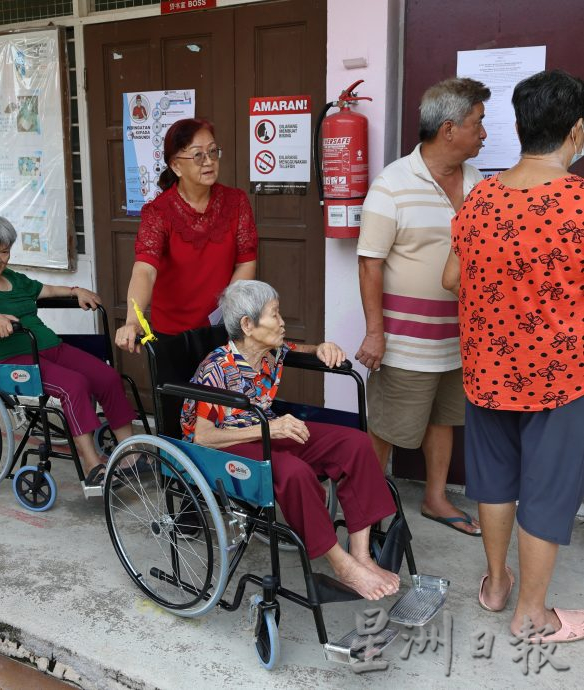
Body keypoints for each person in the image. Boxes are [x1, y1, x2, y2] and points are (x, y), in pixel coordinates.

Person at [443, 69, 584, 642]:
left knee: (495, 480)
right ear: (576, 130)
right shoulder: (579, 203)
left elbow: (451, 278)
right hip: (559, 375)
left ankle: (497, 585)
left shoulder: (481, 198)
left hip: (487, 367)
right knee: (547, 489)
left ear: (521, 128)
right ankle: (532, 614)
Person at [181, 281, 400, 600]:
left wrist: (322, 347)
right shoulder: (218, 369)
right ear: (248, 325)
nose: (282, 322)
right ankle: (343, 567)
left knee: (355, 443)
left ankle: (362, 555)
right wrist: (272, 429)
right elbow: (204, 436)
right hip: (224, 446)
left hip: (265, 429)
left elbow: (300, 349)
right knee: (294, 472)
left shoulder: (270, 352)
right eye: (275, 315)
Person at [355, 77, 491, 536]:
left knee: (444, 417)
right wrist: (376, 333)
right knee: (388, 425)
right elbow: (369, 263)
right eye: (477, 123)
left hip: (459, 335)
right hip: (405, 340)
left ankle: (435, 498)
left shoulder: (477, 182)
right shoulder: (392, 183)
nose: (484, 133)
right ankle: (366, 511)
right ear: (449, 129)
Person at [0, 215, 137, 487]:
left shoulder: (12, 278)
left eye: (4, 251)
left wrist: (75, 290)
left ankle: (130, 456)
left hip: (50, 347)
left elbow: (47, 290)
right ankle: (93, 466)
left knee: (107, 377)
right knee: (74, 385)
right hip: (8, 359)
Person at [115, 118, 257, 352]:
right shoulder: (159, 212)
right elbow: (145, 270)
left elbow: (246, 262)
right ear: (176, 166)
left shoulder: (236, 202)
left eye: (213, 151)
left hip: (222, 329)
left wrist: (228, 313)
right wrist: (133, 320)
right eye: (198, 155)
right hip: (172, 335)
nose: (209, 161)